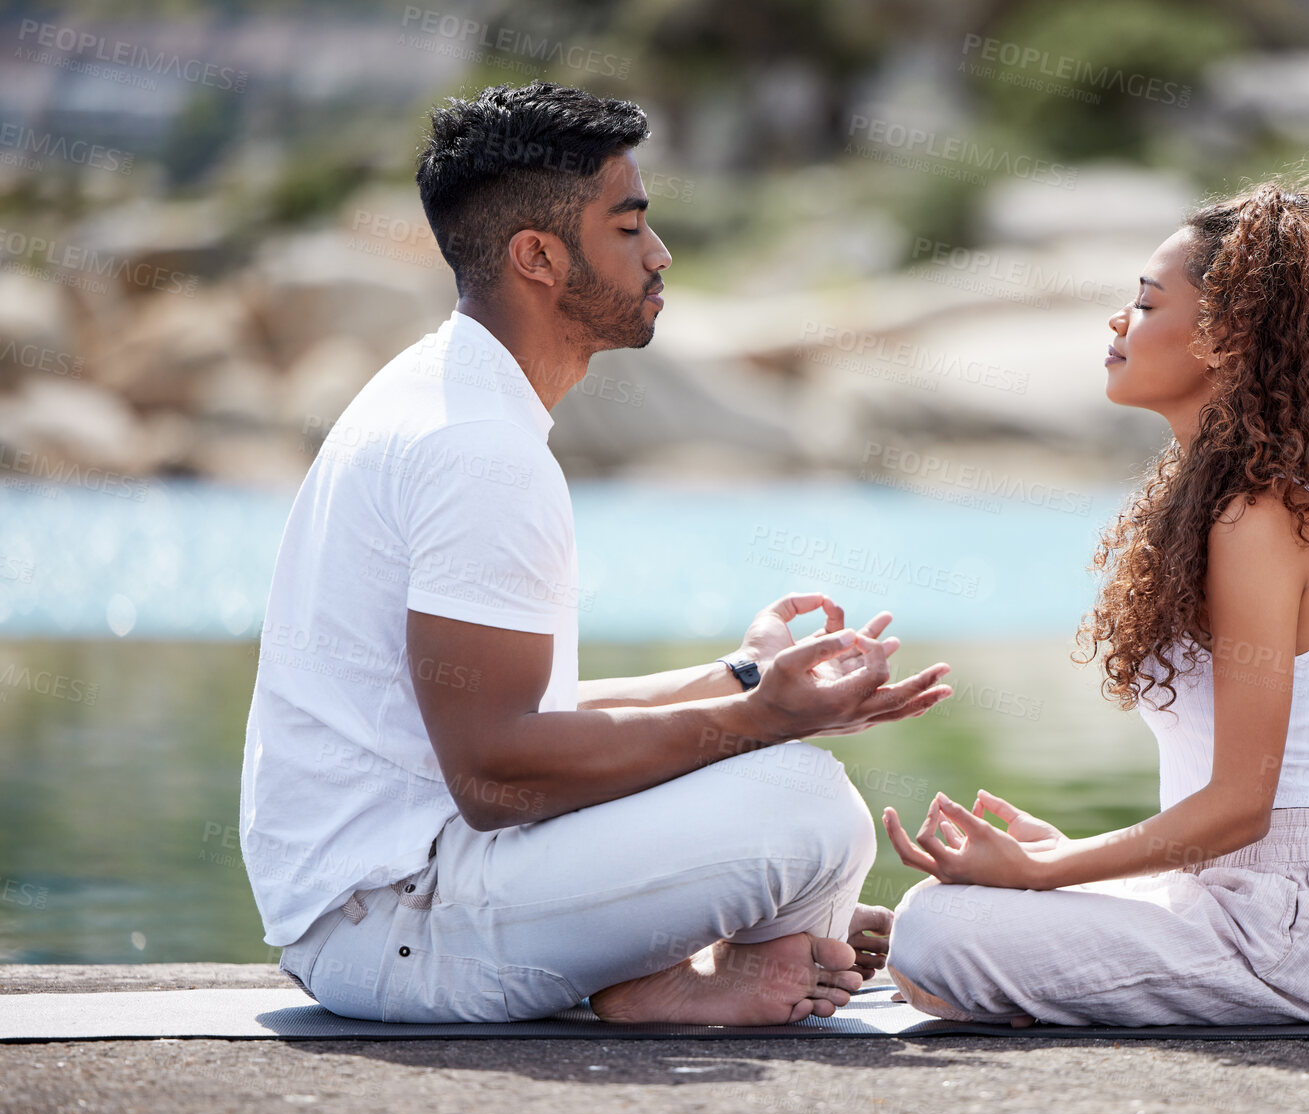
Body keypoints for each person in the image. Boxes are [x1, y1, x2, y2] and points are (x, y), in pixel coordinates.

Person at [240, 81, 951, 1026]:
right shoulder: (476, 448)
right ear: (537, 255)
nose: (659, 254)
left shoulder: (444, 392)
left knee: (788, 797)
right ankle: (714, 975)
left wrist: (742, 677)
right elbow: (497, 772)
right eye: (628, 228)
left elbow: (518, 719)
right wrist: (759, 720)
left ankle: (711, 963)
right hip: (399, 930)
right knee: (805, 802)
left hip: (394, 900)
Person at [880, 181, 1309, 1027]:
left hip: (1300, 919)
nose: (1118, 322)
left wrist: (1049, 871)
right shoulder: (1216, 500)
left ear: (1227, 336)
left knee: (933, 932)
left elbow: (1240, 804)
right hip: (1240, 894)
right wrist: (1068, 860)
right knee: (936, 928)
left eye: (1146, 303)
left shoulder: (1258, 515)